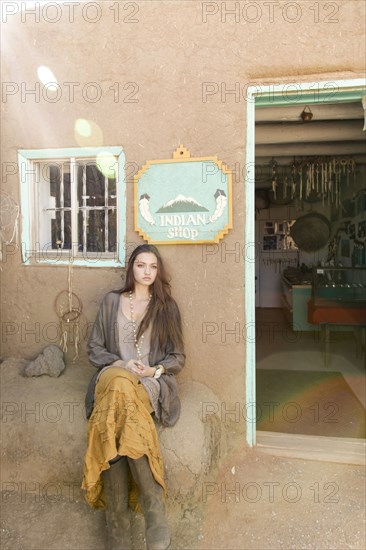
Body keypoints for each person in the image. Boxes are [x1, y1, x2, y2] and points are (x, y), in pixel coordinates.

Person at [82, 244, 185, 550]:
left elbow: (177, 358)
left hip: (147, 383)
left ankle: (117, 528)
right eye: (141, 265)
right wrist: (122, 364)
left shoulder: (167, 308)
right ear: (131, 268)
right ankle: (154, 510)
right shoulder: (112, 302)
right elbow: (94, 349)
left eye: (153, 266)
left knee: (115, 415)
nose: (147, 272)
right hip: (113, 374)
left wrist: (153, 370)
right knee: (119, 386)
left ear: (158, 271)